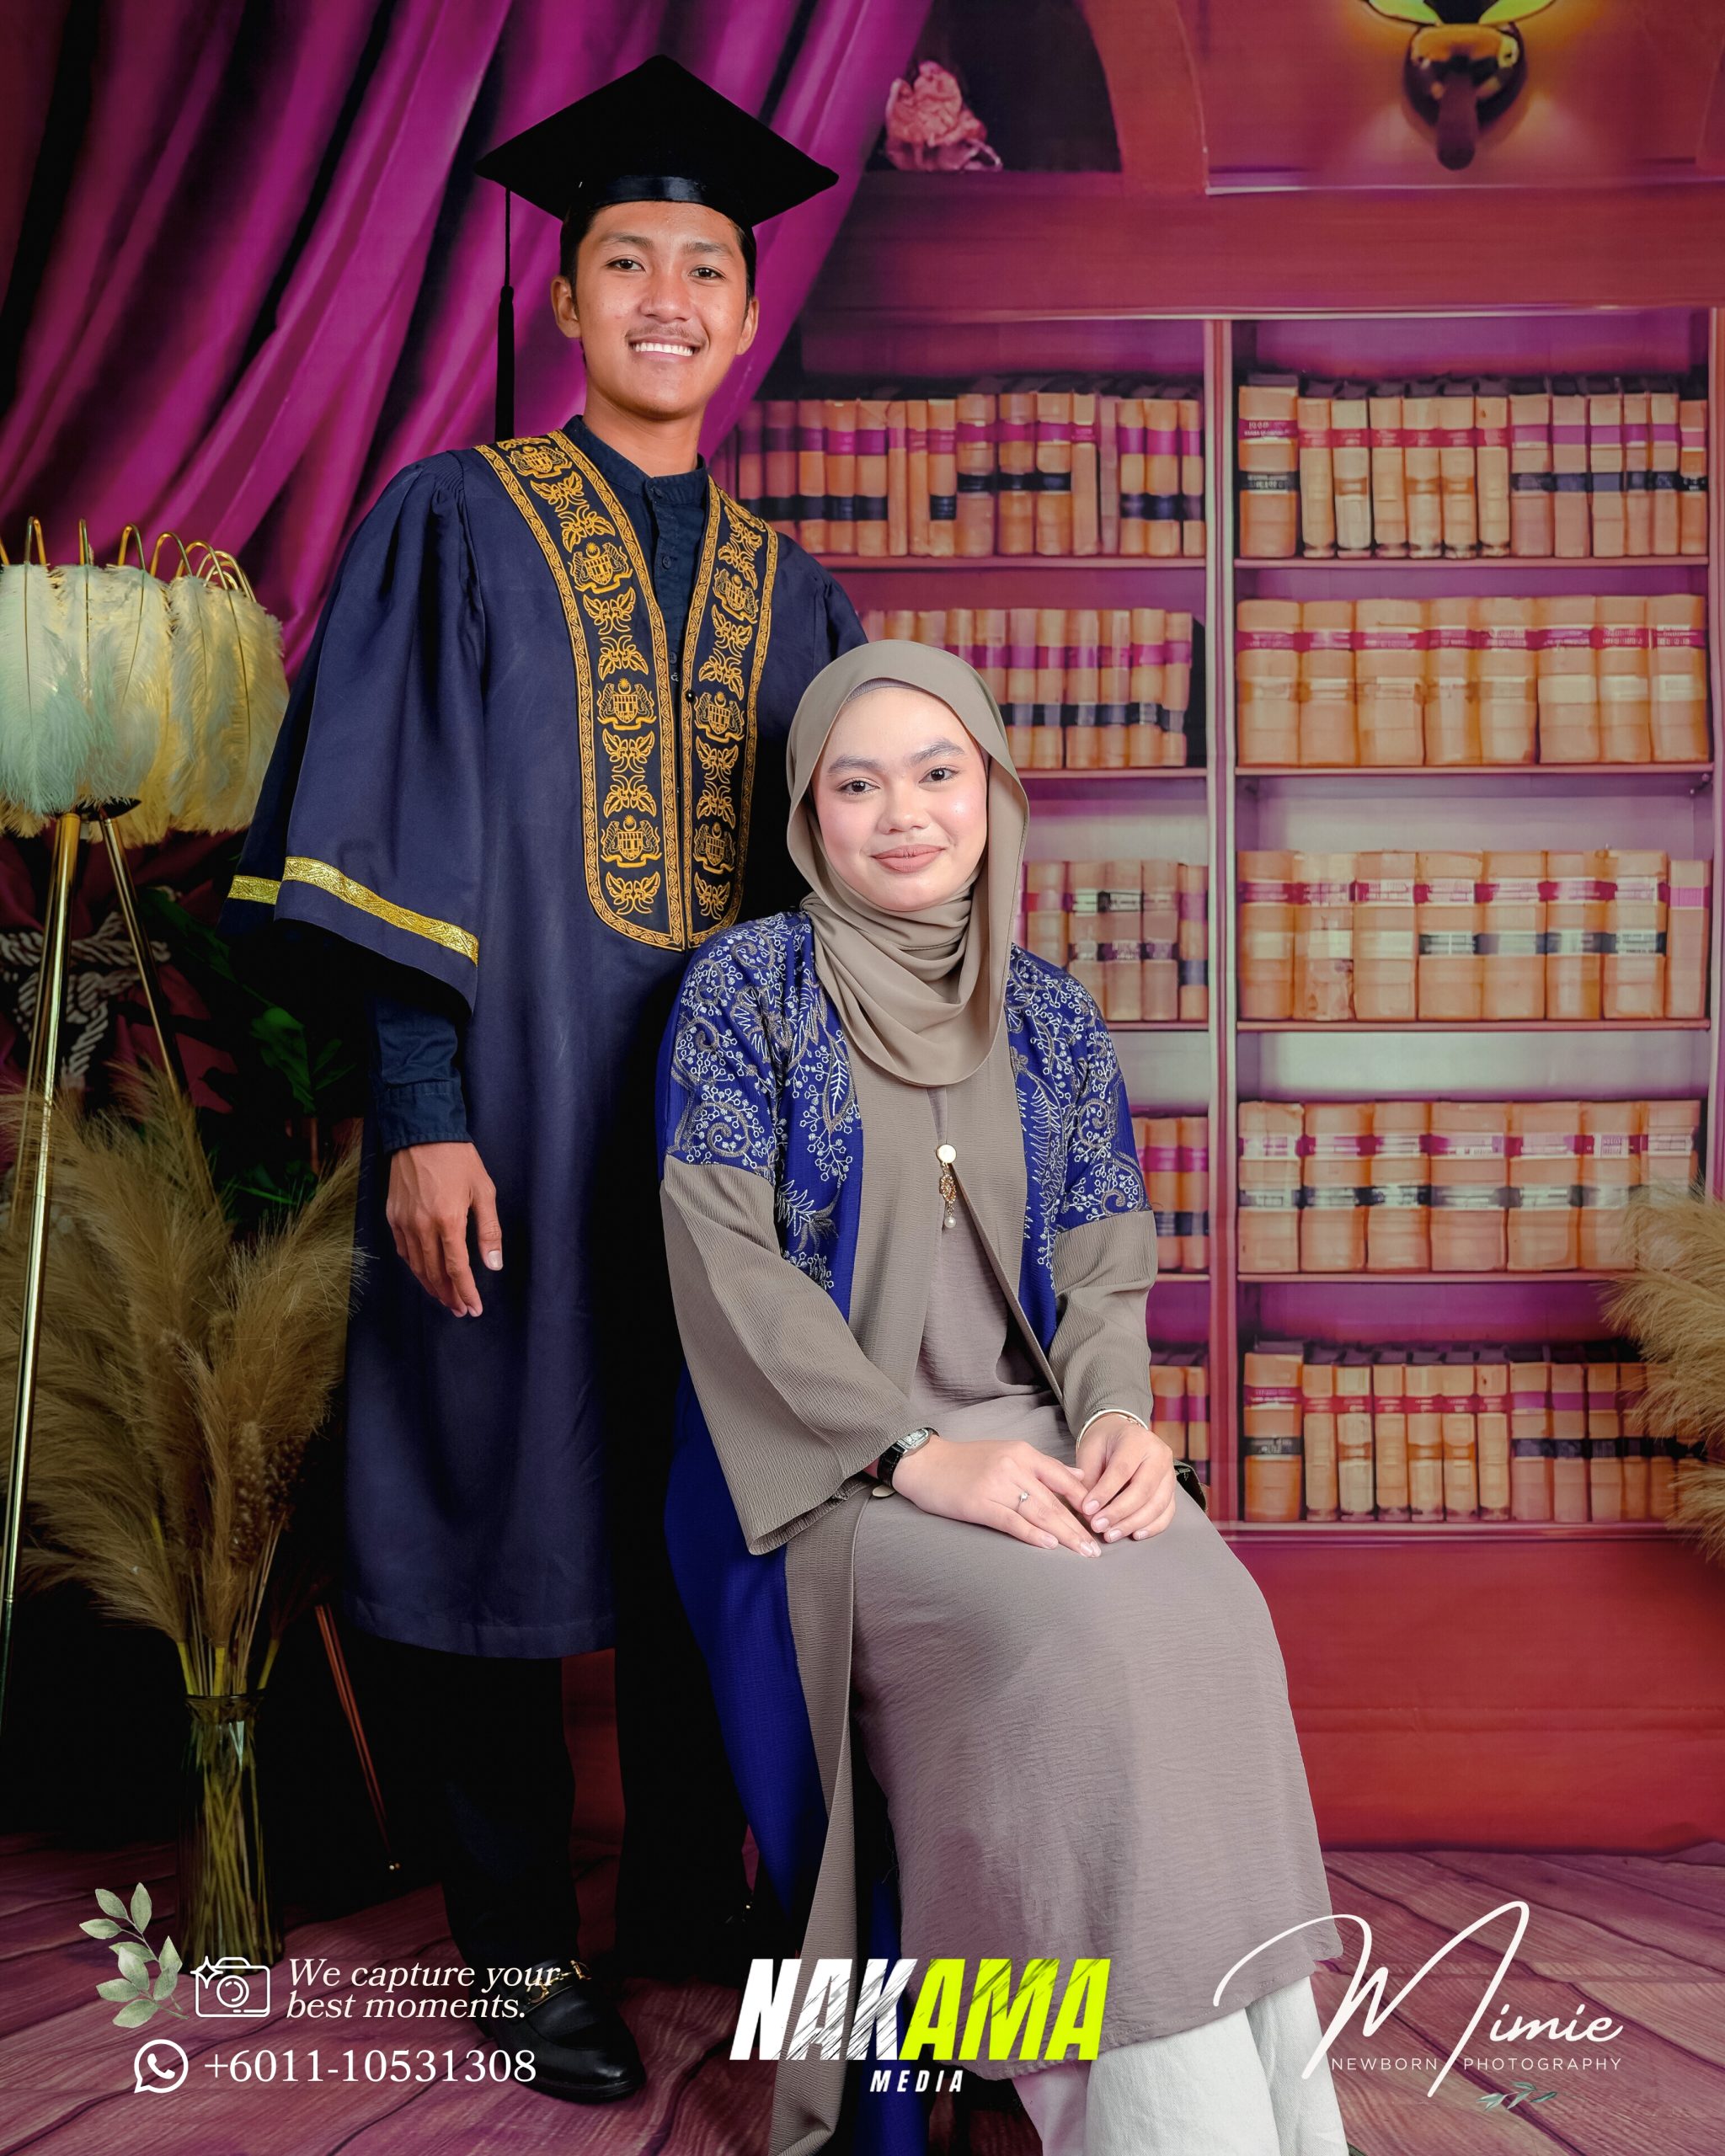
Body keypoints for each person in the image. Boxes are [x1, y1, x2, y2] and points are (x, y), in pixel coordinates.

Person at [220, 55, 863, 2102]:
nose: (668, 296)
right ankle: (516, 1950)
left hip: (721, 1157)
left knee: (709, 1504)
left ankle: (684, 1899)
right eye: (627, 262)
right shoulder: (456, 522)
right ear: (566, 296)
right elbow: (392, 820)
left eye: (706, 267)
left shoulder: (798, 591)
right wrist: (419, 1112)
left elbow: (853, 894)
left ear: (746, 313)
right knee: (487, 1494)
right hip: (504, 1116)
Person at [654, 640, 1351, 2156]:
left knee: (1214, 1611)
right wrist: (912, 1454)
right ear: (810, 814)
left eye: (937, 773)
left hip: (1037, 1442)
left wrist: (1116, 1422)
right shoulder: (746, 991)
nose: (903, 813)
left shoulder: (1046, 1012)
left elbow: (1100, 1267)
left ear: (992, 794)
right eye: (857, 784)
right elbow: (725, 1265)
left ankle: (1261, 2113)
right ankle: (1144, 2118)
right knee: (1075, 1637)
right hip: (828, 1479)